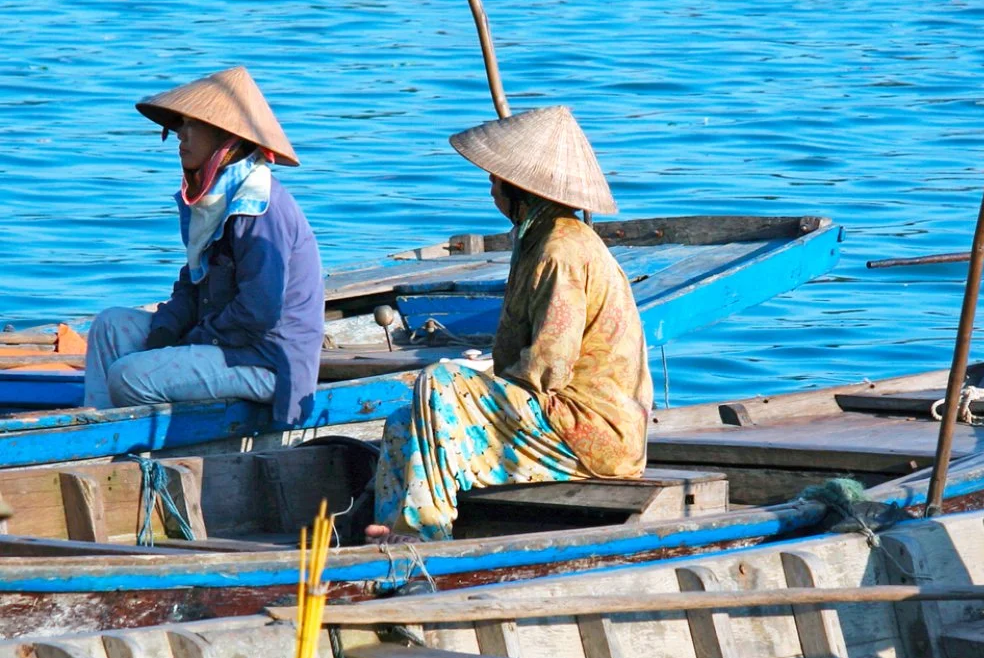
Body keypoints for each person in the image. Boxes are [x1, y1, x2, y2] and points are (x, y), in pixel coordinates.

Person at [369, 106, 652, 542]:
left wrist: (475, 380)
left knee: (439, 383)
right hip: (550, 414)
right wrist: (487, 373)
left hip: (588, 431)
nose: (490, 189)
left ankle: (424, 533)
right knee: (402, 425)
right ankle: (387, 537)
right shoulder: (537, 237)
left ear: (517, 188)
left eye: (495, 181)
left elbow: (548, 368)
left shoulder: (561, 249)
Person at [83, 67, 324, 426]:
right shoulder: (218, 200)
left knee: (129, 377)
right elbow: (194, 285)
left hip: (265, 361)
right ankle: (99, 442)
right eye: (180, 125)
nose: (182, 136)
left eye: (194, 126)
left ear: (225, 138)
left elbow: (259, 312)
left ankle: (144, 455)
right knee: (109, 326)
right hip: (227, 343)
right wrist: (167, 327)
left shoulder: (258, 208)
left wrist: (192, 340)